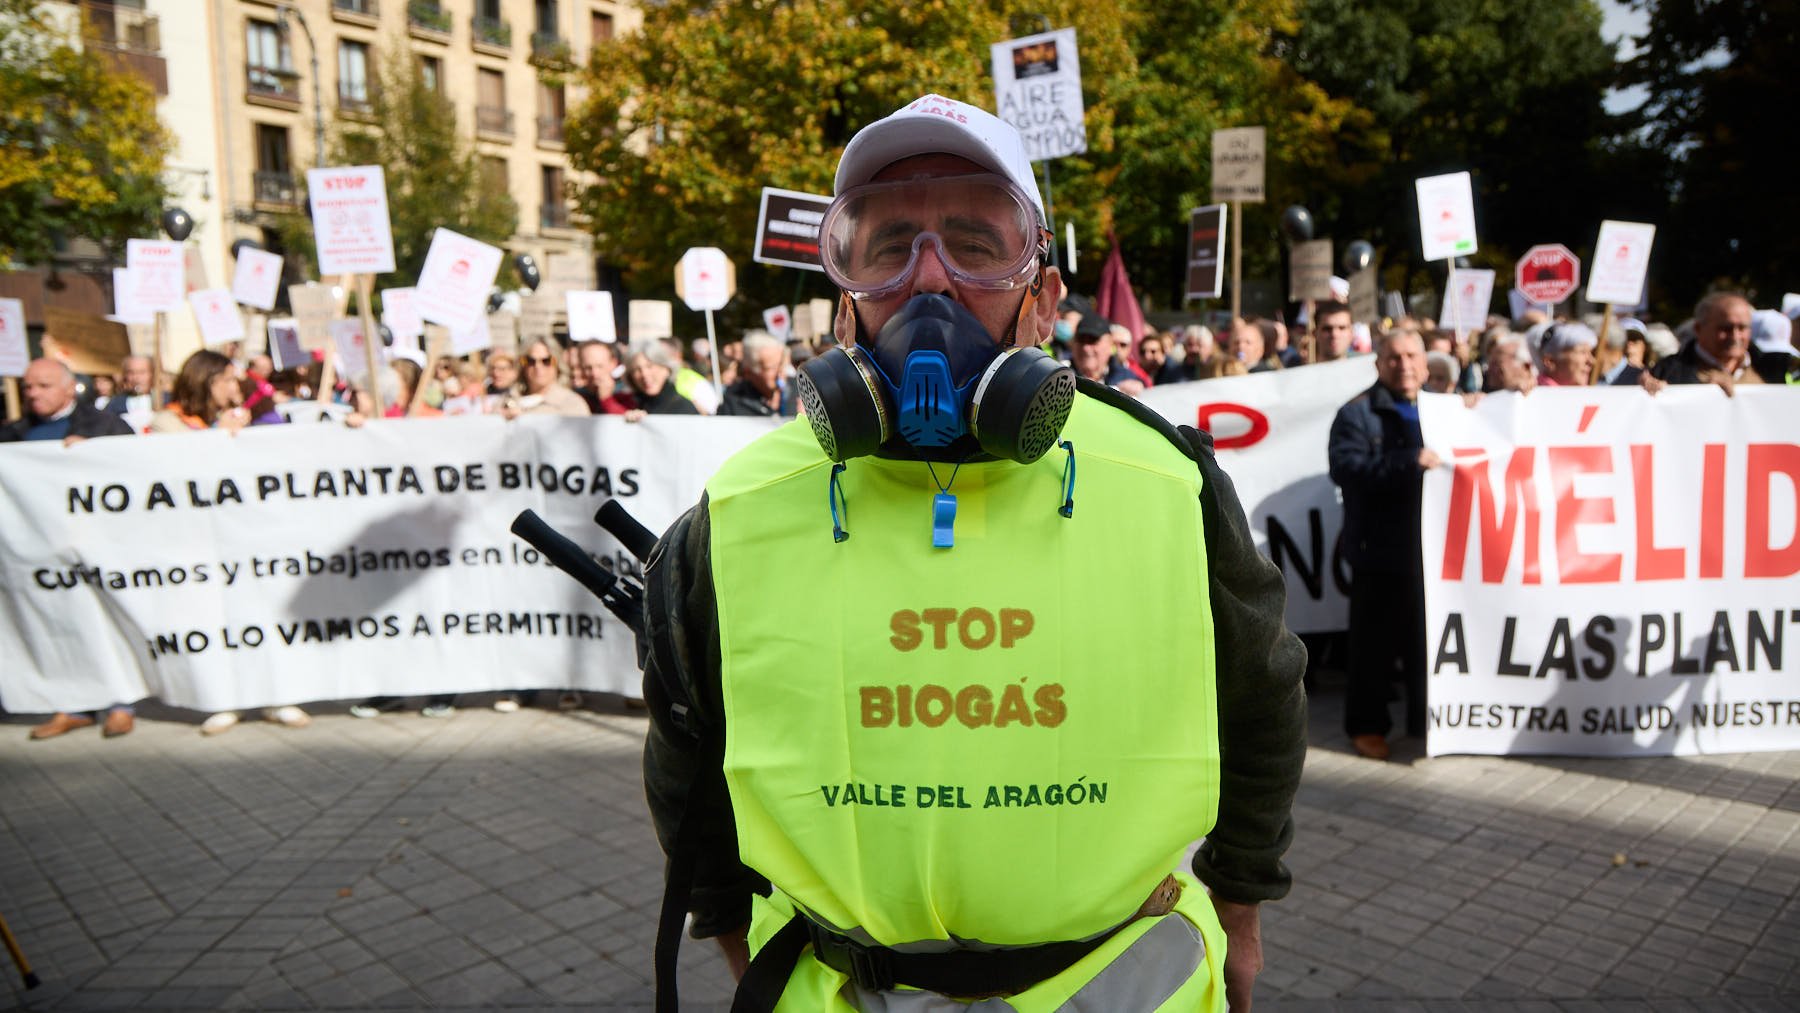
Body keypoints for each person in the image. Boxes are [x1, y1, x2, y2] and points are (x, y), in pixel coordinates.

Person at [640, 93, 1305, 1011]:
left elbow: (1262, 695)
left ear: (1043, 300)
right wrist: (726, 929)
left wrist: (1242, 899)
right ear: (845, 302)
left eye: (974, 244)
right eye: (887, 247)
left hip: (1119, 984)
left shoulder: (1167, 482)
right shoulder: (742, 509)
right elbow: (685, 747)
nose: (930, 282)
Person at [3, 359, 140, 740]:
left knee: (106, 624)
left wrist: (96, 455)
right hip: (40, 551)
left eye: (43, 385)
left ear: (69, 388)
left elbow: (137, 469)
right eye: (28, 387)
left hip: (96, 547)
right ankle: (74, 706)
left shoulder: (105, 426)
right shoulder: (12, 435)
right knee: (60, 627)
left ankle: (121, 704)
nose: (33, 393)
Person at [1327, 330, 1435, 761]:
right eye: (1394, 357)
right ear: (1378, 364)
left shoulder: (1444, 407)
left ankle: (1426, 724)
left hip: (1431, 551)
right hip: (1379, 551)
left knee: (1424, 645)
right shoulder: (1356, 413)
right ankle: (1367, 726)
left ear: (1426, 362)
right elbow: (1347, 469)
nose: (1404, 365)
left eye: (1411, 356)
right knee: (1374, 647)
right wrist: (1408, 462)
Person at [1644, 292, 1789, 394]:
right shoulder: (1665, 372)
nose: (1735, 336)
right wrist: (1704, 392)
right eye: (1725, 328)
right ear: (1698, 329)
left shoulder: (1772, 369)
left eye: (1742, 328)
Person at [148, 350, 251, 434]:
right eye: (228, 380)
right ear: (205, 382)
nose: (235, 388)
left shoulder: (218, 417)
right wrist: (221, 433)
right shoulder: (166, 422)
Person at [500, 339, 590, 418]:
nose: (538, 366)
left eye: (546, 361)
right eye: (530, 361)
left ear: (558, 364)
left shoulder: (572, 404)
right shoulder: (506, 399)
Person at [717, 331, 796, 416]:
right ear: (749, 372)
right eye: (771, 368)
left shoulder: (800, 388)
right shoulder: (732, 403)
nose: (780, 372)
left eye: (781, 363)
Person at [623, 341, 700, 418]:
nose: (644, 374)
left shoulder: (684, 408)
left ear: (666, 368)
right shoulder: (625, 405)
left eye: (649, 366)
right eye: (637, 369)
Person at [572, 339, 636, 415]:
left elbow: (629, 419)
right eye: (588, 368)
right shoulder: (576, 397)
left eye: (600, 366)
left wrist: (606, 400)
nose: (594, 373)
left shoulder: (629, 394)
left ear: (613, 363)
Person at [1535, 321, 1597, 387]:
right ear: (1550, 361)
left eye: (1590, 352)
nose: (1591, 361)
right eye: (1582, 352)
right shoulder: (1533, 392)